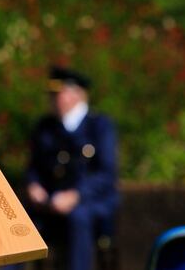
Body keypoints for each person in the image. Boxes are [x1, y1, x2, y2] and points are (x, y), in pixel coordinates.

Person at [23, 66, 118, 270]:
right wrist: (33, 186)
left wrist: (76, 195)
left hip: (90, 204)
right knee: (18, 222)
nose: (53, 98)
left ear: (77, 94)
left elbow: (106, 175)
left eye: (59, 93)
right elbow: (34, 167)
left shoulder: (99, 126)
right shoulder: (45, 127)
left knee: (78, 218)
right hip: (50, 204)